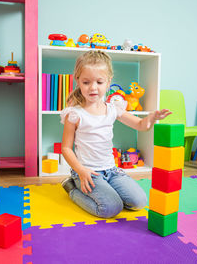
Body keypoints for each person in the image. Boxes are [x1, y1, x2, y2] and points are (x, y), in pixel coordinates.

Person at [60, 50, 171, 218]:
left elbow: (141, 125)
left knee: (139, 202)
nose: (93, 88)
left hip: (111, 171)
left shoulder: (113, 109)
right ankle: (72, 189)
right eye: (86, 82)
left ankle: (107, 192)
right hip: (87, 172)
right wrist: (81, 170)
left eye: (99, 82)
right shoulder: (75, 114)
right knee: (111, 208)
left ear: (108, 81)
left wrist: (152, 118)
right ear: (78, 81)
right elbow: (66, 148)